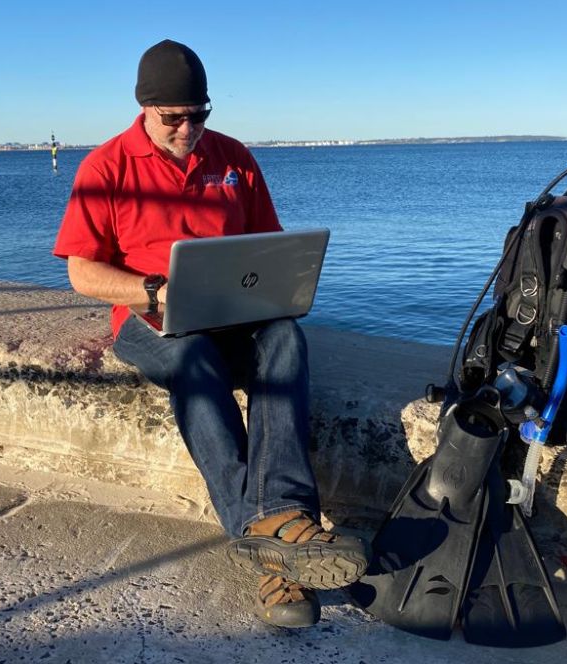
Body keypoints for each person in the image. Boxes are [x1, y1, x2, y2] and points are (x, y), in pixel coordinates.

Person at [52, 39, 367, 628]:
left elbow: (267, 249)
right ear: (145, 108)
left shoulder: (235, 157)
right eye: (174, 119)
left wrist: (277, 288)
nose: (188, 129)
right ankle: (279, 545)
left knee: (285, 338)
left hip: (234, 314)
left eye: (199, 115)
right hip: (149, 320)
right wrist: (156, 292)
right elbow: (81, 272)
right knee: (194, 357)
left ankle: (273, 530)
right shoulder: (106, 166)